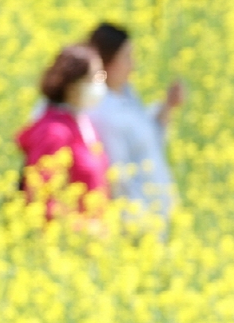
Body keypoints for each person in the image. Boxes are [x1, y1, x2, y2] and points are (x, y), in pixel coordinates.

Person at [86, 22, 185, 229]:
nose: (134, 66)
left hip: (154, 214)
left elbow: (146, 137)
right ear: (107, 62)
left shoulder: (126, 93)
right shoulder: (101, 111)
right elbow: (116, 175)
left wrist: (167, 106)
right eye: (127, 58)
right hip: (135, 220)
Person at [16, 45, 110, 221]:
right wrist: (82, 229)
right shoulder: (53, 132)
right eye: (95, 77)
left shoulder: (83, 124)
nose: (101, 83)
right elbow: (41, 199)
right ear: (73, 86)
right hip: (68, 240)